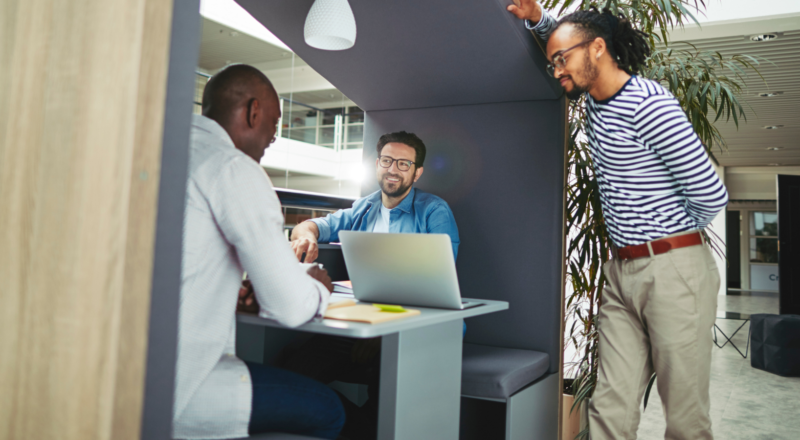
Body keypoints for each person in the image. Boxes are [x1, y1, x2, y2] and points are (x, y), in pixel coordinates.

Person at [507, 2, 728, 439]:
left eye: (561, 61)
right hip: (620, 272)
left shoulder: (650, 104)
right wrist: (537, 19)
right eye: (553, 62)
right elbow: (568, 37)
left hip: (673, 271)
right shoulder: (593, 98)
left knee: (685, 418)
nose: (556, 72)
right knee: (609, 408)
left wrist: (670, 238)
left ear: (598, 50)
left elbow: (710, 193)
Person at [173, 64, 345, 440]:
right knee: (330, 410)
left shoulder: (166, 150)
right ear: (253, 112)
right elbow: (291, 307)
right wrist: (317, 286)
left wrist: (229, 292)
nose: (274, 137)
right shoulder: (235, 168)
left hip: (123, 371)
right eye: (275, 122)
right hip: (182, 386)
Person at [290, 130, 460, 263]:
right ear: (378, 165)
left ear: (417, 173)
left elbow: (441, 273)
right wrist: (306, 237)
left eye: (403, 164)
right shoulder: (362, 208)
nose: (392, 170)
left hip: (417, 305)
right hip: (366, 301)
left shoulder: (434, 211)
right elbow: (308, 227)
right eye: (387, 160)